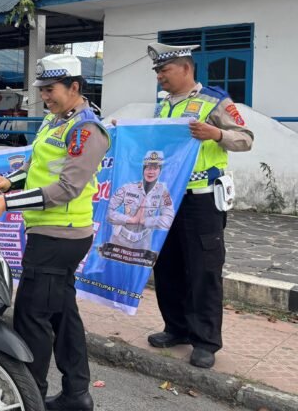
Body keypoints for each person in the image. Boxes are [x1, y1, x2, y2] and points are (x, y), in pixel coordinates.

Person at [0, 54, 110, 411]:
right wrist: (11, 182)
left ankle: (28, 396)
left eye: (50, 90)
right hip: (51, 232)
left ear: (74, 88)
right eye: (42, 90)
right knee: (63, 315)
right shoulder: (55, 122)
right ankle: (76, 394)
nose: (45, 97)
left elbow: (67, 187)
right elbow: (40, 168)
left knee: (32, 317)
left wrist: (10, 203)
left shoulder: (86, 130)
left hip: (60, 236)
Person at [144, 43, 253, 369]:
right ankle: (176, 328)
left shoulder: (215, 100)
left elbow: (245, 138)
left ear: (186, 68)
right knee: (168, 266)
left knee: (204, 270)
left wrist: (216, 133)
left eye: (164, 70)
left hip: (202, 198)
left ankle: (205, 341)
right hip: (167, 197)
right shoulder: (163, 106)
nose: (160, 76)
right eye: (157, 72)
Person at [106, 150, 174, 254]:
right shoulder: (127, 188)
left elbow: (168, 220)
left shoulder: (163, 192)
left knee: (143, 270)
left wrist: (145, 221)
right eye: (148, 168)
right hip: (119, 240)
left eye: (155, 168)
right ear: (143, 170)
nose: (151, 171)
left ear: (160, 170)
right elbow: (107, 212)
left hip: (144, 244)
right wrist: (130, 220)